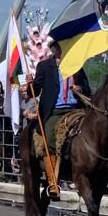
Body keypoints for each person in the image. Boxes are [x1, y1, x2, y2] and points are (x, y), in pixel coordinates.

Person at [32, 41, 89, 197]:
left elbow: (87, 89)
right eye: (59, 46)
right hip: (55, 110)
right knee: (49, 140)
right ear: (54, 49)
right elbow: (35, 91)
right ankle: (52, 182)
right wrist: (31, 84)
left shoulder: (77, 65)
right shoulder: (44, 66)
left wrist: (80, 88)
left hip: (75, 109)